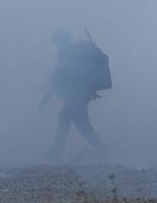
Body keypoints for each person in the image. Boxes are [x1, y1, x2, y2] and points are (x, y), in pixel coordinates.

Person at [41, 29, 110, 162]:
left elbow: (74, 74)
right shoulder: (68, 53)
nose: (56, 45)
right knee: (81, 124)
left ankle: (55, 155)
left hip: (78, 94)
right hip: (78, 95)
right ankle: (102, 150)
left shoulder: (70, 53)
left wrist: (59, 76)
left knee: (65, 118)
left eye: (57, 41)